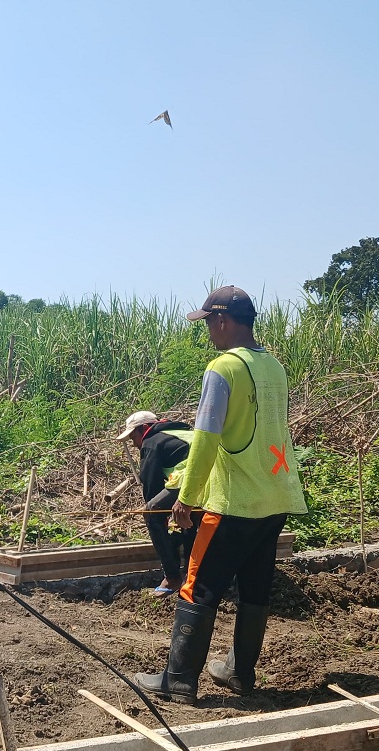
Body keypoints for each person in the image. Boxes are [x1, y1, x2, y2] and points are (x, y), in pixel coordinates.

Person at [134, 286, 307, 704]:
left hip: (233, 501)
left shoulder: (222, 368)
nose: (208, 330)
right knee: (255, 587)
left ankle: (177, 680)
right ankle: (239, 673)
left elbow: (206, 438)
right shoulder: (275, 367)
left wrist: (187, 497)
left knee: (197, 585)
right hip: (275, 496)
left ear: (224, 320)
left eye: (209, 322)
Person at [114, 410, 197, 595]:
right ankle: (191, 577)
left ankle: (173, 577)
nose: (135, 444)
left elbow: (151, 488)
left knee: (152, 512)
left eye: (134, 437)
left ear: (144, 428)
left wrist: (161, 517)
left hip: (192, 479)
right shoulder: (179, 431)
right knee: (190, 519)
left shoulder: (151, 442)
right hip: (214, 480)